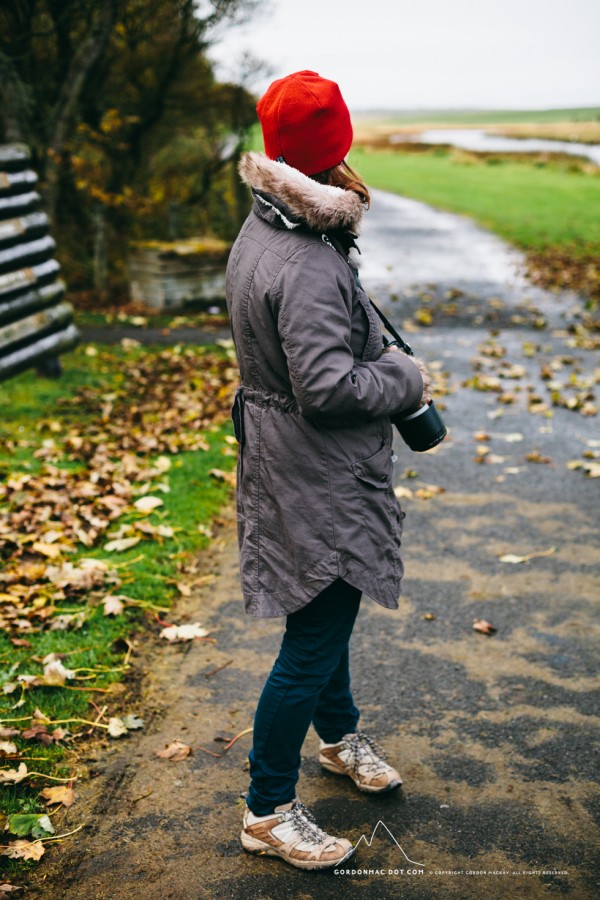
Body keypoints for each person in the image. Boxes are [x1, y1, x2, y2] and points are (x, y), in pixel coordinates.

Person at [225, 70, 432, 871]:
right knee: (312, 637)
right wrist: (406, 381)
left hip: (285, 455)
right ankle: (268, 810)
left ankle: (339, 740)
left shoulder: (263, 225)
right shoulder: (307, 257)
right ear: (334, 148)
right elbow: (326, 388)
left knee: (326, 597)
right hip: (316, 464)